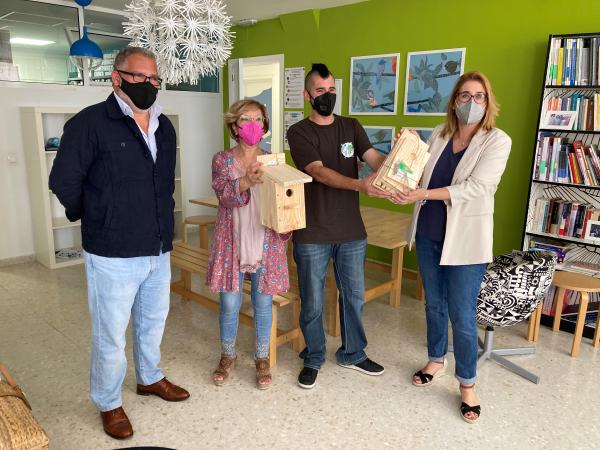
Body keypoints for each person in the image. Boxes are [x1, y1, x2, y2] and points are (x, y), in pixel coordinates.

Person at [49, 47, 189, 440]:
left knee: (153, 322)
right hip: (112, 251)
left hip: (157, 247)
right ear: (116, 78)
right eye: (140, 77)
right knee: (110, 333)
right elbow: (63, 181)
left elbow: (163, 183)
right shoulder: (89, 123)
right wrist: (98, 214)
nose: (149, 85)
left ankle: (150, 378)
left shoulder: (164, 127)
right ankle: (109, 401)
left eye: (154, 78)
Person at [393, 71, 512, 424]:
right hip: (429, 232)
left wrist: (423, 193)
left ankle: (467, 384)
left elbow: (479, 187)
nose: (471, 102)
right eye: (464, 96)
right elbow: (417, 172)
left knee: (461, 315)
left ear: (488, 102)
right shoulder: (439, 134)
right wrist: (408, 147)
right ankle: (435, 359)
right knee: (434, 303)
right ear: (454, 100)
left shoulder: (497, 141)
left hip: (466, 240)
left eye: (479, 96)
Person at [287, 63, 389, 389]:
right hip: (312, 232)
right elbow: (318, 171)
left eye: (331, 90)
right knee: (313, 301)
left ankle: (353, 353)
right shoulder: (299, 132)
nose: (327, 96)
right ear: (307, 95)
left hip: (351, 232)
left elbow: (373, 158)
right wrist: (360, 185)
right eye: (320, 91)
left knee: (354, 297)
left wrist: (398, 160)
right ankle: (314, 356)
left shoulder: (351, 126)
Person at [206, 99, 291, 390]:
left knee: (263, 303)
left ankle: (261, 358)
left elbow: (284, 201)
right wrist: (245, 181)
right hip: (232, 241)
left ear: (265, 126)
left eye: (258, 119)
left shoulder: (274, 161)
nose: (253, 125)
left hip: (264, 239)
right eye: (245, 119)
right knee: (229, 303)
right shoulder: (222, 160)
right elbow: (223, 195)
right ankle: (227, 356)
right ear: (234, 126)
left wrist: (288, 218)